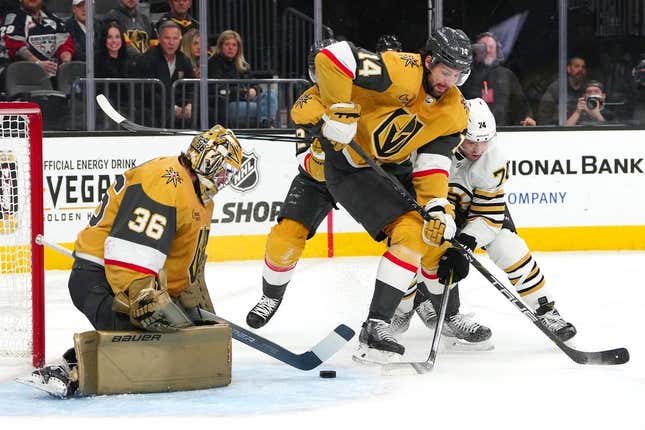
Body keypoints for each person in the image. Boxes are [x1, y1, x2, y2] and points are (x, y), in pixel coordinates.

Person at [248, 27, 474, 364]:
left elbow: (432, 163)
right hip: (327, 172)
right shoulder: (397, 70)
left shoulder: (454, 112)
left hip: (376, 170)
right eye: (445, 72)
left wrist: (438, 205)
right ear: (429, 62)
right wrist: (336, 114)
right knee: (287, 235)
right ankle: (271, 296)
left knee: (419, 232)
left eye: (458, 74)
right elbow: (335, 56)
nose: (450, 81)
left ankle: (381, 324)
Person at [24, 125, 243, 398]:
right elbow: (129, 256)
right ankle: (70, 368)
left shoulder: (197, 193)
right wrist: (140, 302)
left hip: (137, 284)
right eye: (224, 171)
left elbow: (185, 257)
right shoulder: (167, 181)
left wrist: (187, 295)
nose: (224, 180)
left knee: (188, 342)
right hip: (102, 281)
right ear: (208, 160)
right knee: (149, 343)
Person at [392, 98, 577, 343]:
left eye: (484, 141)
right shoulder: (430, 146)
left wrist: (467, 242)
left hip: (476, 210)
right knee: (415, 247)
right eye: (471, 141)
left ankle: (546, 310)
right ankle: (412, 305)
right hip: (434, 210)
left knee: (508, 247)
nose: (478, 149)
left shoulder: (493, 159)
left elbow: (488, 216)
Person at [461, 32, 536, 126]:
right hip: (471, 132)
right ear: (475, 50)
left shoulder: (506, 75)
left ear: (497, 50)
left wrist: (527, 117)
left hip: (502, 131)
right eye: (483, 47)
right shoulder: (466, 75)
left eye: (491, 47)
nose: (488, 50)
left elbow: (520, 102)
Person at [207, 29, 278, 128]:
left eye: (234, 45)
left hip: (247, 100)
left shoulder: (242, 65)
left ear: (238, 48)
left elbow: (256, 85)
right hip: (228, 104)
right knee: (266, 108)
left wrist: (254, 90)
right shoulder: (214, 63)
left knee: (271, 94)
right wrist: (244, 93)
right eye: (227, 44)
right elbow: (220, 89)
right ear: (221, 46)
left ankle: (266, 123)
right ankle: (267, 123)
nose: (230, 48)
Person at [135, 20, 195, 127]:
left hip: (178, 109)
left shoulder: (184, 60)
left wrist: (189, 104)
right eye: (167, 38)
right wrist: (173, 108)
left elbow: (191, 87)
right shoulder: (147, 60)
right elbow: (149, 93)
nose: (171, 43)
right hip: (153, 109)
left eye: (175, 38)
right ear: (159, 39)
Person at [3, 0, 74, 76]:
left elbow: (65, 43)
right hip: (23, 76)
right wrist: (37, 63)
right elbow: (14, 45)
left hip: (52, 75)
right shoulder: (13, 18)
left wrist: (66, 62)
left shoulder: (53, 19)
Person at [537, 56, 587, 125]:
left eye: (583, 67)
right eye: (577, 66)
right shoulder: (556, 88)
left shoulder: (588, 89)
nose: (580, 69)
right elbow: (544, 118)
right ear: (569, 69)